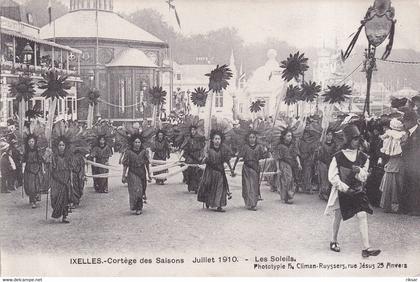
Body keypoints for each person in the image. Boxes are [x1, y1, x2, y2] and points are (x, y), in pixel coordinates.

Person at [325, 124, 380, 257]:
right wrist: (344, 188)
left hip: (357, 190)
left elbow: (364, 176)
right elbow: (332, 177)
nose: (358, 142)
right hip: (341, 191)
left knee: (362, 215)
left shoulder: (363, 157)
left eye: (359, 139)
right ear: (348, 140)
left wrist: (359, 171)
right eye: (355, 139)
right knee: (338, 216)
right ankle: (333, 240)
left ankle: (366, 248)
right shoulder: (338, 156)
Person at [197, 130, 233, 212]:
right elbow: (202, 160)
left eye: (219, 139)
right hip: (210, 171)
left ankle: (219, 205)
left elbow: (227, 160)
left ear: (221, 140)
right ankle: (208, 201)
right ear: (212, 140)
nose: (217, 141)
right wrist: (205, 158)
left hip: (220, 172)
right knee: (209, 187)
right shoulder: (209, 150)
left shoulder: (223, 150)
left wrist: (231, 169)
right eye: (216, 139)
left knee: (221, 188)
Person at [233, 131, 267, 211]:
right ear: (248, 139)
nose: (252, 139)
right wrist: (233, 167)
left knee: (254, 186)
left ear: (256, 138)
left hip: (255, 168)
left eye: (253, 137)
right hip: (247, 169)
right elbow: (238, 157)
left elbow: (263, 156)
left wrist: (267, 150)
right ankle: (249, 202)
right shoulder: (245, 147)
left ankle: (253, 204)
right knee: (248, 186)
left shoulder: (259, 147)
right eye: (250, 137)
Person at [121, 134, 152, 215]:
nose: (137, 144)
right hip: (132, 173)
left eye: (139, 142)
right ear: (132, 143)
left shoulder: (144, 151)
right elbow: (125, 165)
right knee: (136, 190)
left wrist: (149, 174)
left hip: (142, 173)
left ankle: (139, 206)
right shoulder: (128, 152)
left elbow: (147, 164)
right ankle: (138, 207)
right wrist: (123, 175)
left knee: (141, 190)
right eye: (136, 142)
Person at [400, 110, 420, 216]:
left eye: (405, 121)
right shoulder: (409, 133)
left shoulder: (418, 132)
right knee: (409, 185)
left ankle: (416, 209)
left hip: (416, 165)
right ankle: (408, 208)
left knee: (416, 186)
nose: (404, 124)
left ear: (412, 121)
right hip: (409, 164)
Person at [273, 129, 301, 204]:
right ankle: (288, 195)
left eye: (291, 136)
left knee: (290, 179)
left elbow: (296, 155)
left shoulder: (293, 145)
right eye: (288, 136)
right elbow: (277, 158)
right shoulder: (280, 146)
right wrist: (278, 168)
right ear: (284, 137)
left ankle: (286, 196)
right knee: (287, 179)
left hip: (292, 164)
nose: (290, 137)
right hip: (283, 164)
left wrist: (299, 164)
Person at [49, 140, 71, 223]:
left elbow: (70, 168)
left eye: (63, 145)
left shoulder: (68, 157)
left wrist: (68, 179)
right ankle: (57, 212)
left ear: (65, 147)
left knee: (65, 198)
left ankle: (65, 216)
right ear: (57, 146)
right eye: (59, 145)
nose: (61, 147)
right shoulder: (54, 157)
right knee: (55, 197)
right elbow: (52, 170)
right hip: (56, 180)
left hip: (65, 179)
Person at [22, 135, 44, 208]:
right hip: (29, 170)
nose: (31, 143)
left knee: (37, 185)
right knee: (31, 186)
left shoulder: (38, 150)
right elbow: (23, 161)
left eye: (32, 141)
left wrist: (42, 169)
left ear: (35, 142)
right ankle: (33, 200)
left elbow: (41, 160)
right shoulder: (26, 151)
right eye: (29, 141)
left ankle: (35, 197)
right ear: (27, 143)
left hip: (37, 169)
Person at [181, 126, 205, 193]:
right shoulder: (188, 138)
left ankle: (197, 187)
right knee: (190, 171)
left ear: (196, 130)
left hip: (197, 156)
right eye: (191, 130)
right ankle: (191, 186)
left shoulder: (200, 138)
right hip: (190, 156)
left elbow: (202, 147)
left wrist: (201, 156)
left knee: (198, 171)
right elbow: (183, 146)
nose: (193, 131)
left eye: (194, 130)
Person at [315, 129, 337, 201]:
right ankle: (323, 193)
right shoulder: (322, 144)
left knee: (329, 178)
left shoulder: (334, 145)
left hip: (331, 164)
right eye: (328, 135)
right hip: (323, 163)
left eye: (330, 135)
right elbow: (318, 155)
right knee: (323, 178)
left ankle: (326, 193)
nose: (329, 136)